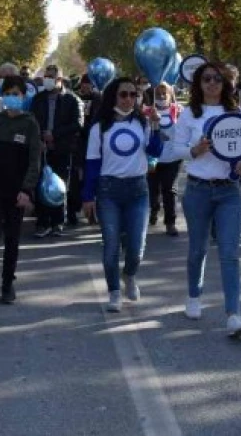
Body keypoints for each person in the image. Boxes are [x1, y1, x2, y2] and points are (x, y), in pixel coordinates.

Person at [174, 62, 241, 338]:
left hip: (229, 191)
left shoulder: (236, 113)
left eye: (217, 79)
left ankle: (234, 315)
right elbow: (175, 148)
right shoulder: (189, 114)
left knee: (229, 252)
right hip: (198, 190)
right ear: (198, 83)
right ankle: (194, 296)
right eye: (206, 79)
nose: (212, 83)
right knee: (198, 249)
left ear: (226, 84)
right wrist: (194, 151)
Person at [81, 77, 163, 312]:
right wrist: (87, 196)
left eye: (133, 94)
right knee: (111, 247)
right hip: (108, 191)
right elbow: (92, 164)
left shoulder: (142, 122)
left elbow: (155, 151)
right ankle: (114, 291)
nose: (129, 99)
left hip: (138, 190)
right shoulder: (100, 127)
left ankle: (130, 274)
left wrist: (156, 126)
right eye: (123, 94)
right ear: (113, 97)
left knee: (137, 248)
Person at [0, 76, 42, 309]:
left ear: (23, 97)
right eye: (8, 93)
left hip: (16, 192)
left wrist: (27, 190)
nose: (12, 98)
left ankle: (7, 284)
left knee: (12, 239)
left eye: (17, 93)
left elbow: (35, 160)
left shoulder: (30, 124)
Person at [30, 64, 84, 238]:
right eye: (46, 76)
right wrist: (40, 138)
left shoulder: (72, 100)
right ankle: (42, 223)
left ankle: (58, 222)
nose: (47, 79)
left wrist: (55, 134)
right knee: (42, 185)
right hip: (43, 150)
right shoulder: (38, 99)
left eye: (51, 76)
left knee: (60, 186)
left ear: (60, 79)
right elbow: (32, 121)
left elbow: (78, 124)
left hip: (63, 149)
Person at [147, 82, 183, 236]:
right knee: (152, 190)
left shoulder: (178, 110)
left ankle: (170, 222)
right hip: (153, 159)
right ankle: (153, 210)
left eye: (164, 94)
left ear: (170, 95)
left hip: (173, 158)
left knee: (170, 190)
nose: (161, 97)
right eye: (158, 94)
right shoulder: (148, 112)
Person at [69, 75, 104, 226]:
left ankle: (92, 213)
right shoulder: (74, 98)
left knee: (93, 177)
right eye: (84, 84)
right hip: (78, 144)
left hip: (94, 141)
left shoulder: (98, 98)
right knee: (77, 179)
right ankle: (73, 211)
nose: (86, 87)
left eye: (89, 84)